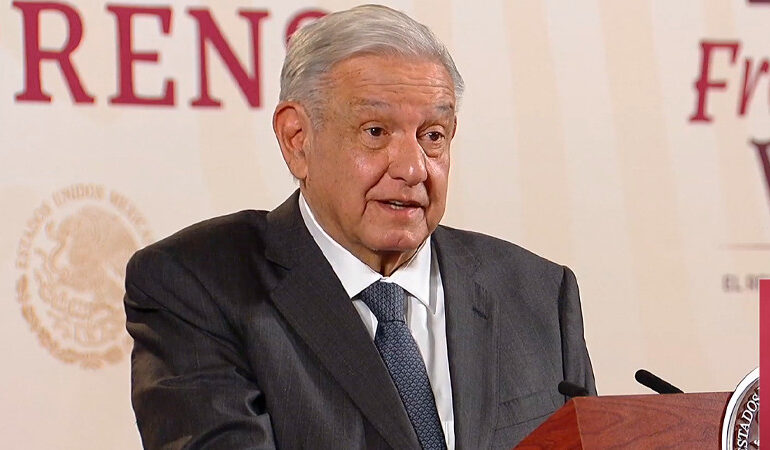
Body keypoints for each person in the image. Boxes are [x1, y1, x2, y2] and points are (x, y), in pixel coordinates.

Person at [124, 5, 595, 449]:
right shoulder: (198, 285)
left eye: (432, 136)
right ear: (297, 139)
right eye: (375, 132)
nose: (412, 168)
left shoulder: (537, 293)